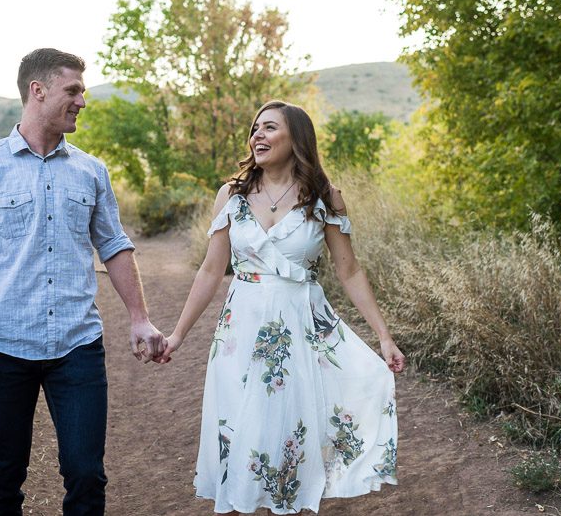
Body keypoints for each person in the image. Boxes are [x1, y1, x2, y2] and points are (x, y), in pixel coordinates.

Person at [0, 48, 165, 516]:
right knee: (2, 478)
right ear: (37, 91)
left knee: (85, 473)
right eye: (74, 90)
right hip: (4, 346)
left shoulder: (91, 171)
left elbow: (115, 246)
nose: (83, 100)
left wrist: (140, 318)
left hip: (77, 346)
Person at [159, 100, 405, 515]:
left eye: (269, 128)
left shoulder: (324, 197)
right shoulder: (231, 195)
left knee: (288, 435)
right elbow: (209, 270)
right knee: (245, 435)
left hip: (300, 329)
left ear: (296, 138)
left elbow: (349, 272)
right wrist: (178, 335)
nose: (257, 135)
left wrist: (384, 337)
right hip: (242, 331)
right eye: (255, 128)